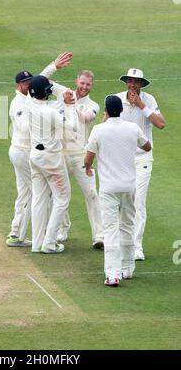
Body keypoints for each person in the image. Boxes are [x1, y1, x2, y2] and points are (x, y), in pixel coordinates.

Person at [6, 52, 73, 247]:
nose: (29, 85)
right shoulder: (19, 103)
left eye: (30, 82)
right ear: (19, 86)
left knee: (26, 193)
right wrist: (46, 116)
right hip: (24, 151)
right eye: (25, 83)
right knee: (43, 194)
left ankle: (17, 234)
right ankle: (47, 237)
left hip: (28, 152)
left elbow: (40, 81)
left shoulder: (29, 99)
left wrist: (54, 66)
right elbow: (25, 128)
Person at [84, 95, 151, 286]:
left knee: (111, 229)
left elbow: (88, 158)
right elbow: (147, 146)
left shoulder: (99, 130)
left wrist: (88, 167)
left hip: (109, 188)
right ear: (121, 110)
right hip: (129, 185)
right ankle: (128, 269)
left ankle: (113, 274)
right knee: (128, 225)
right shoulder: (132, 128)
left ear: (106, 111)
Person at [43, 69, 104, 248]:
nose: (84, 87)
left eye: (88, 84)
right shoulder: (64, 92)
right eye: (82, 83)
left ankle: (99, 236)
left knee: (92, 193)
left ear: (92, 86)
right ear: (77, 81)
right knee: (58, 193)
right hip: (60, 153)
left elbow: (86, 118)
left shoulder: (93, 104)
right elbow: (42, 80)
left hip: (80, 154)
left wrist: (71, 104)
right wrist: (54, 66)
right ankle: (62, 228)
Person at [116, 68, 165, 260]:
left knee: (139, 202)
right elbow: (106, 123)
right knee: (122, 202)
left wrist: (141, 105)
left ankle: (137, 247)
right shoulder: (117, 99)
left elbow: (160, 124)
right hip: (121, 159)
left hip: (143, 158)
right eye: (130, 81)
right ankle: (122, 243)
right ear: (126, 82)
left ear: (141, 84)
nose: (133, 85)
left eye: (137, 82)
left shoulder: (149, 100)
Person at [26, 75, 77, 253]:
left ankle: (36, 243)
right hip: (51, 159)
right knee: (62, 198)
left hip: (35, 156)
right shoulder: (50, 113)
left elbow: (39, 83)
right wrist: (69, 106)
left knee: (39, 199)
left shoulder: (28, 103)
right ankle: (49, 243)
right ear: (46, 92)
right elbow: (73, 126)